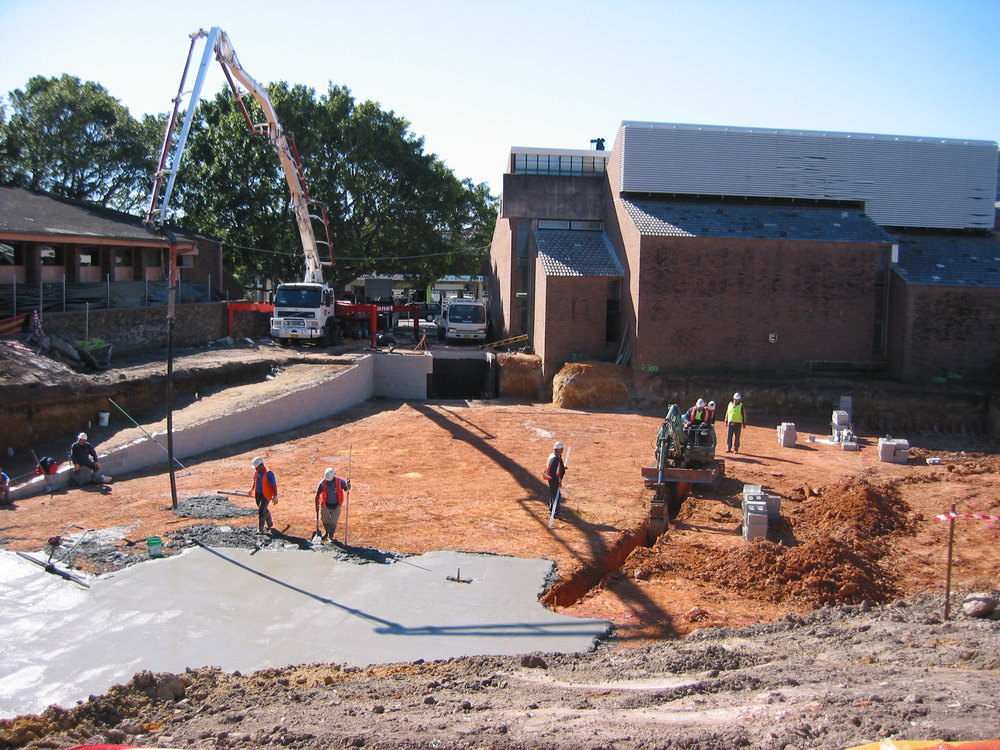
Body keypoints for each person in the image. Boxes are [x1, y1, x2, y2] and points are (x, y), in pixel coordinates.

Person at [314, 467, 351, 542]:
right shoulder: (322, 483)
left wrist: (348, 486)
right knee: (324, 520)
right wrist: (316, 506)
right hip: (325, 505)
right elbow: (317, 495)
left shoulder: (340, 482)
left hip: (337, 505)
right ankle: (327, 532)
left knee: (333, 522)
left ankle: (331, 536)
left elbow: (346, 489)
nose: (329, 482)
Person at [248, 456, 278, 533]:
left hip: (266, 495)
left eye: (257, 467)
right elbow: (255, 481)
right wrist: (251, 489)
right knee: (263, 508)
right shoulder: (256, 472)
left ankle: (261, 530)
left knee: (261, 511)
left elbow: (273, 485)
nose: (256, 469)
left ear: (261, 465)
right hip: (258, 495)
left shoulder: (269, 473)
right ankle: (269, 523)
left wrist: (275, 496)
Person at [542, 441, 567, 510]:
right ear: (560, 450)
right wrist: (558, 482)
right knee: (556, 496)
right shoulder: (554, 459)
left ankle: (552, 508)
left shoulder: (555, 456)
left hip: (552, 480)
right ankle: (555, 512)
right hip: (553, 480)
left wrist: (562, 467)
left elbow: (557, 467)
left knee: (554, 495)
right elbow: (553, 473)